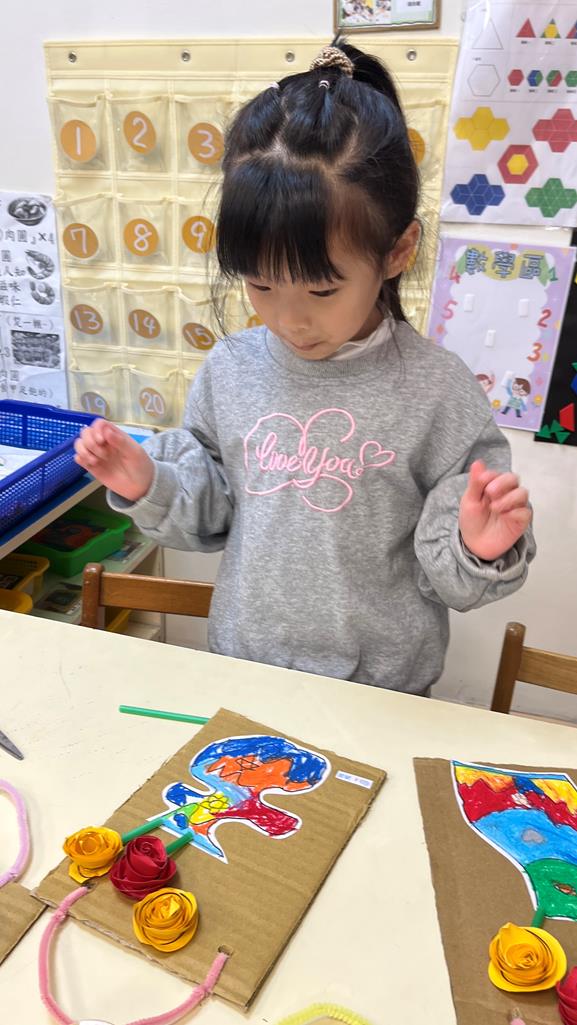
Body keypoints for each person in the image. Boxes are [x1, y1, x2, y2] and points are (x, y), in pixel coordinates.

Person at [74, 41, 535, 696]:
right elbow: (213, 516)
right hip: (246, 671)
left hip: (383, 693)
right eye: (261, 285)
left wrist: (476, 546)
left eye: (321, 290)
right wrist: (151, 481)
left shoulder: (436, 389)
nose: (289, 320)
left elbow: (451, 579)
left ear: (398, 250)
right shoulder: (231, 369)